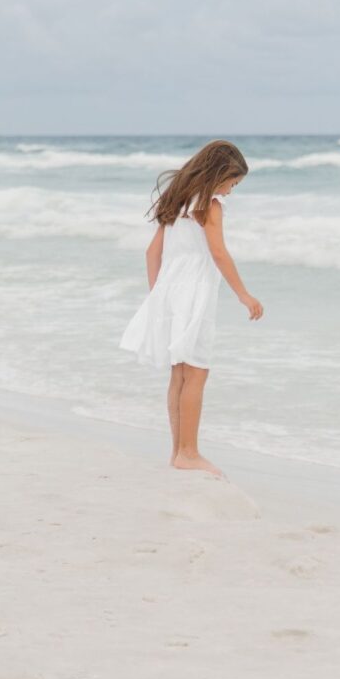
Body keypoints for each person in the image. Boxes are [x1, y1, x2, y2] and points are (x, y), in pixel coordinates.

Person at [119, 139, 264, 479]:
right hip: (195, 297)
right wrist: (244, 295)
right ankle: (189, 452)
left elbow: (151, 254)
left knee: (179, 374)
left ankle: (177, 452)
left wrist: (158, 296)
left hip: (170, 295)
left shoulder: (177, 201)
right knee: (196, 372)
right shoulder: (210, 206)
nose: (230, 192)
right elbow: (219, 254)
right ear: (219, 175)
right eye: (232, 183)